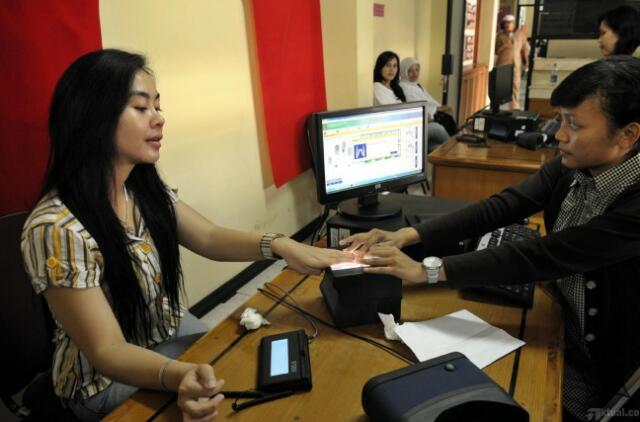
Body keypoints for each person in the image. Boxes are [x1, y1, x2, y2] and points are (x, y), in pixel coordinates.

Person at [20, 49, 352, 422]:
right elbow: (107, 350)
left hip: (163, 330)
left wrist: (281, 245)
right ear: (92, 117)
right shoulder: (55, 228)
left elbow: (208, 237)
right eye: (141, 107)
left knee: (250, 371)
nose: (159, 118)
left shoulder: (140, 187)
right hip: (102, 378)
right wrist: (178, 375)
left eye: (158, 106)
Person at [341, 56, 640, 422]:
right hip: (563, 330)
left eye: (574, 125)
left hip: (605, 373)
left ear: (627, 135)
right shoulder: (573, 164)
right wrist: (408, 234)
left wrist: (427, 271)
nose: (560, 135)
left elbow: (544, 255)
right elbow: (502, 207)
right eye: (561, 119)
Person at [399, 57, 452, 153]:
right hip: (422, 121)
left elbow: (429, 100)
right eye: (410, 71)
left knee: (436, 148)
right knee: (439, 130)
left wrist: (439, 108)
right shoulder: (403, 87)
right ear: (403, 71)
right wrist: (438, 109)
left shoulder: (416, 85)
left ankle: (448, 154)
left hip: (429, 118)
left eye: (417, 70)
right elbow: (418, 106)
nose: (415, 73)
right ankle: (454, 150)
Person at [495, 14, 530, 110]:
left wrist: (527, 62)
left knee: (515, 85)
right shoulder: (500, 35)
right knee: (500, 86)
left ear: (514, 24)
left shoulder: (520, 34)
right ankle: (496, 107)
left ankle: (514, 107)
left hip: (516, 64)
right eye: (505, 23)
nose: (507, 25)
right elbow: (495, 51)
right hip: (502, 63)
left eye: (509, 23)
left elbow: (524, 50)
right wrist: (504, 46)